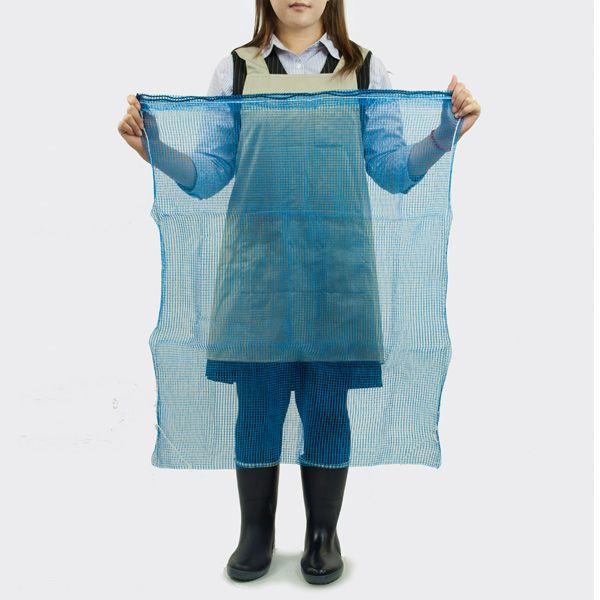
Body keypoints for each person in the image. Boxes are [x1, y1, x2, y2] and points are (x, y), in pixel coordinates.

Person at [118, 0, 481, 585]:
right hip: (257, 271)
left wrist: (445, 133)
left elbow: (391, 170)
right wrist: (154, 147)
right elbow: (209, 175)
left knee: (327, 405)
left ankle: (322, 533)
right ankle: (255, 531)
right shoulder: (236, 70)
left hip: (337, 272)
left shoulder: (366, 70)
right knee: (256, 407)